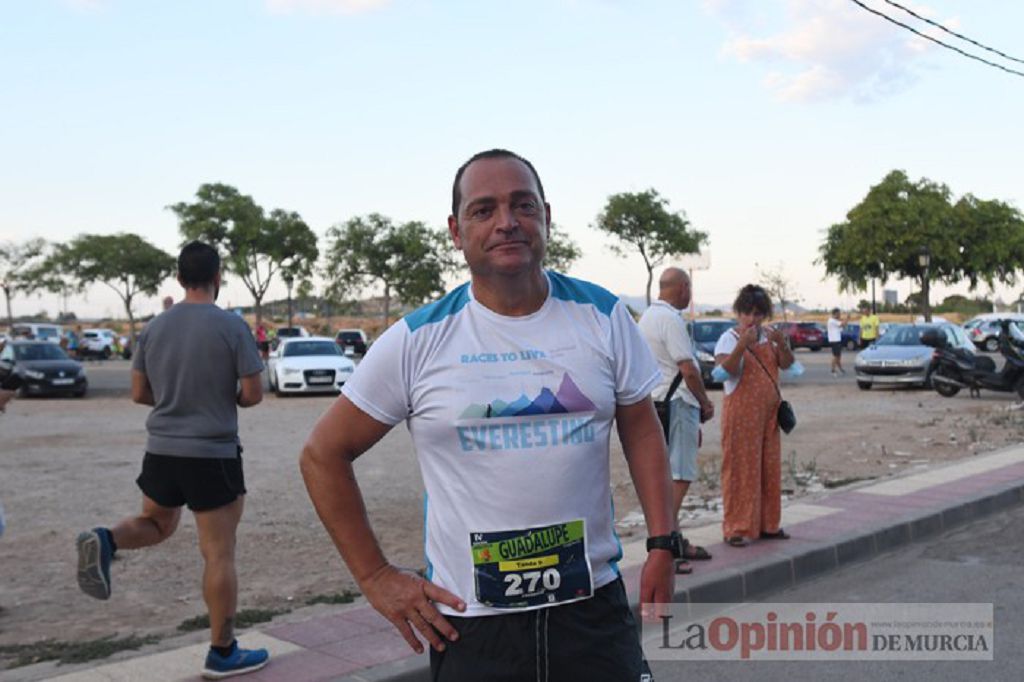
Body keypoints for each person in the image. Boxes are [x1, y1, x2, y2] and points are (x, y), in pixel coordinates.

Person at [300, 149, 676, 681]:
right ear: (455, 231)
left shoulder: (604, 316)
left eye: (523, 206)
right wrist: (376, 576)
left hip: (592, 612)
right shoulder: (418, 340)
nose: (507, 222)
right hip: (474, 629)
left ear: (546, 216)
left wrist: (662, 541)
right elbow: (322, 455)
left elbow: (639, 425)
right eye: (484, 210)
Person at [74, 242, 270, 680]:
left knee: (157, 524)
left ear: (179, 280)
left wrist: (177, 400)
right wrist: (221, 398)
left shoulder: (154, 328)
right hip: (212, 453)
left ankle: (105, 538)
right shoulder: (231, 326)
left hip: (161, 450)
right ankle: (222, 651)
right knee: (219, 553)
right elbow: (253, 394)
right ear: (218, 277)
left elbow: (140, 393)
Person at [638, 267, 714, 574]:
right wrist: (705, 402)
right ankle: (665, 546)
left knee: (669, 475)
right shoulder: (670, 320)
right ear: (682, 287)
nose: (690, 294)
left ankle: (675, 540)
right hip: (678, 403)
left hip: (657, 403)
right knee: (680, 476)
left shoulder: (647, 318)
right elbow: (689, 369)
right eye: (690, 288)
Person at [714, 284, 795, 547]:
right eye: (747, 313)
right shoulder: (727, 338)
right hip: (741, 417)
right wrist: (741, 346)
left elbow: (787, 365)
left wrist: (782, 344)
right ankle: (736, 528)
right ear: (739, 312)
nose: (752, 319)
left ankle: (768, 524)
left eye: (758, 314)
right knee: (740, 470)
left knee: (768, 471)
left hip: (768, 418)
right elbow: (724, 372)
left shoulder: (769, 338)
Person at [826, 307, 846, 375]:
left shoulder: (835, 321)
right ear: (835, 314)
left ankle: (840, 369)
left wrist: (844, 321)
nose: (840, 315)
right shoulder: (832, 321)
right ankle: (833, 370)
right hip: (834, 340)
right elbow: (843, 324)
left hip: (837, 340)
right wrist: (847, 318)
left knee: (838, 356)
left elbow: (843, 326)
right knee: (835, 356)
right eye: (839, 314)